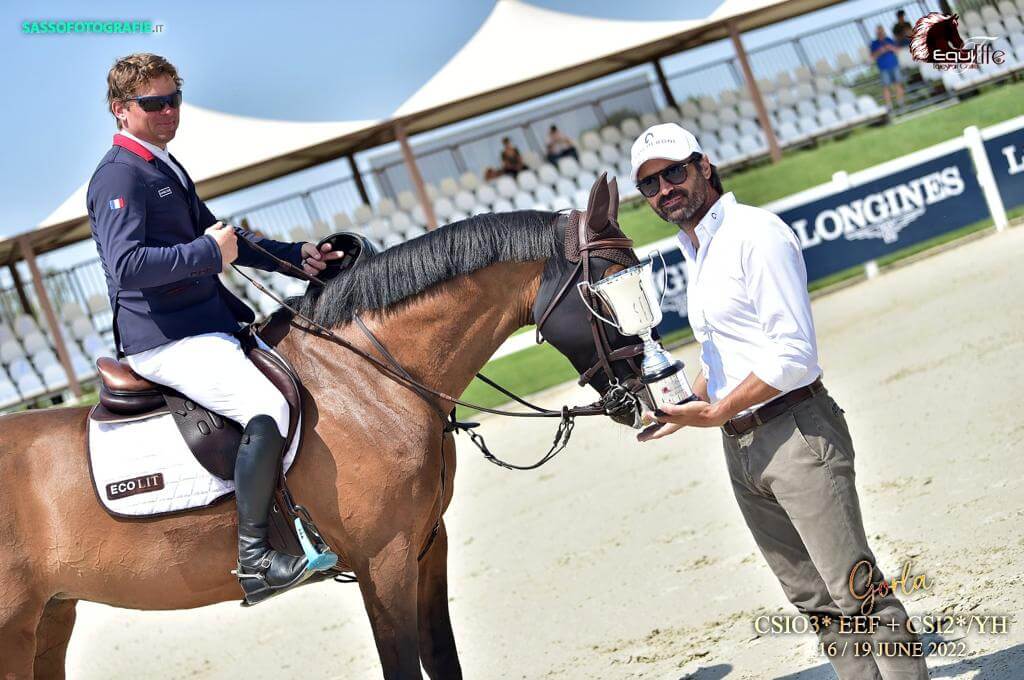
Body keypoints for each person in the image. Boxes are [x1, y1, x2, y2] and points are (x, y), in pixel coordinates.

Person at [630, 123, 929, 680]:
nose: (665, 189)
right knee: (813, 600)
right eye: (650, 184)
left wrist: (716, 411)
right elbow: (725, 354)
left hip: (796, 432)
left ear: (705, 164)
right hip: (742, 447)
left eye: (673, 171)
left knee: (858, 594)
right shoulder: (695, 248)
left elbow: (794, 355)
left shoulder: (754, 233)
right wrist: (678, 409)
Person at [87, 53, 343, 606]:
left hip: (206, 326)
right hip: (166, 340)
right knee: (266, 407)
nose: (168, 112)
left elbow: (224, 235)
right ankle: (256, 561)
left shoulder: (163, 166)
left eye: (173, 99)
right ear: (121, 110)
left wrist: (296, 258)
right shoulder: (119, 175)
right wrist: (207, 253)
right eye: (153, 104)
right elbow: (126, 265)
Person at [870, 25, 905, 109]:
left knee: (898, 84)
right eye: (879, 32)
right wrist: (880, 51)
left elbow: (897, 50)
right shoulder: (874, 43)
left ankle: (901, 103)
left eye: (881, 31)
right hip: (883, 68)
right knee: (886, 87)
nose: (880, 33)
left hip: (894, 65)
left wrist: (890, 47)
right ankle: (889, 106)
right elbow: (872, 57)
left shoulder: (889, 40)